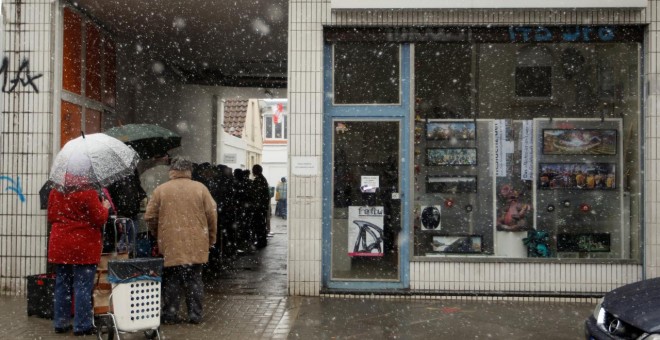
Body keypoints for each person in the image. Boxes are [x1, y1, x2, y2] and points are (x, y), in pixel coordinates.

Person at [143, 156, 217, 324]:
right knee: (195, 279)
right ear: (189, 170)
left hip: (171, 243)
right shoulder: (201, 189)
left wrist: (158, 233)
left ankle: (170, 314)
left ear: (172, 171)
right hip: (197, 242)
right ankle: (195, 315)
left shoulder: (161, 190)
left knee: (172, 279)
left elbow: (149, 216)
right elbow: (212, 215)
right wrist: (211, 237)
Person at [47, 186, 112, 335]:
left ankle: (61, 323)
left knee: (62, 285)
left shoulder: (55, 191)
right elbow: (99, 218)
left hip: (60, 244)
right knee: (82, 286)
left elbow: (51, 216)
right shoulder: (88, 192)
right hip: (83, 245)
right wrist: (105, 207)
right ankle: (82, 325)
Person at [250, 164, 270, 248]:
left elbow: (255, 194)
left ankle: (261, 242)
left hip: (259, 207)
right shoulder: (262, 179)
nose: (252, 171)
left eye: (253, 170)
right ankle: (262, 241)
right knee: (261, 225)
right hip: (261, 207)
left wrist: (255, 204)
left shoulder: (259, 180)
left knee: (259, 225)